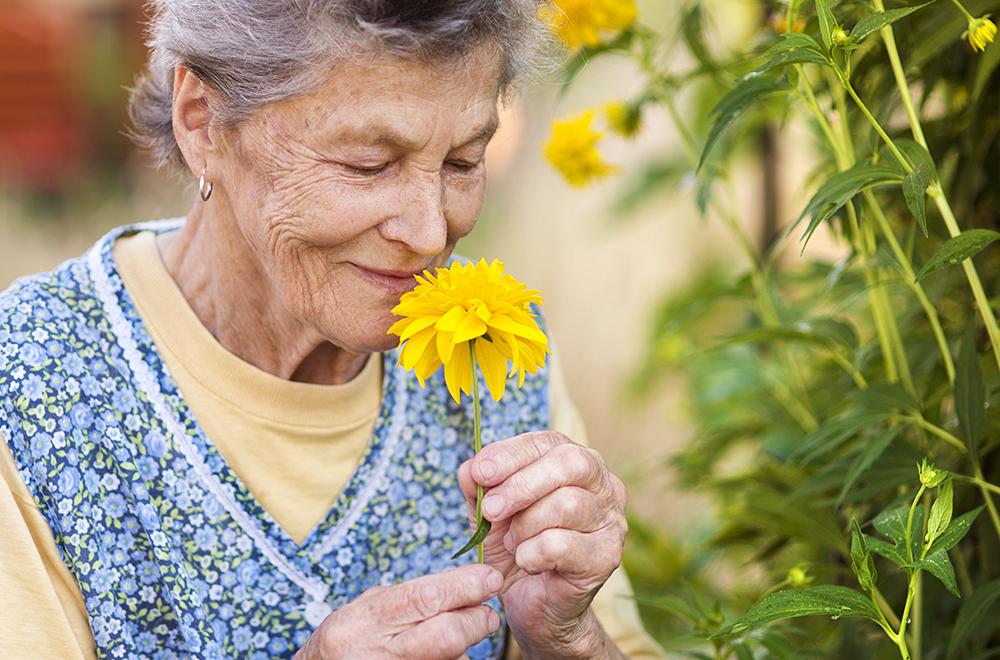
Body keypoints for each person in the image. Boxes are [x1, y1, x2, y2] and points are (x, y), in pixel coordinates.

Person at [0, 1, 663, 657]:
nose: (431, 232)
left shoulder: (493, 347)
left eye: (463, 162)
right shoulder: (33, 381)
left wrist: (568, 638)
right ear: (202, 123)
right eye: (369, 164)